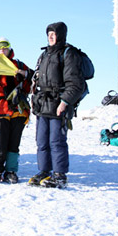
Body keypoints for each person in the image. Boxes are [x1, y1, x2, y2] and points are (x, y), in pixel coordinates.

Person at [29, 22, 85, 188]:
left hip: (58, 102)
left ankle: (59, 175)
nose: (51, 37)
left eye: (54, 34)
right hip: (43, 103)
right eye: (49, 34)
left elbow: (75, 83)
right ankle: (44, 172)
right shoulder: (44, 54)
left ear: (61, 35)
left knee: (56, 141)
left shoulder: (68, 54)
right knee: (41, 141)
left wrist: (65, 102)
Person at [0, 37, 33, 183]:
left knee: (14, 142)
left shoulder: (19, 65)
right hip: (0, 109)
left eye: (5, 47)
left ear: (9, 49)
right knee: (0, 141)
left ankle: (11, 170)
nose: (2, 51)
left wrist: (24, 75)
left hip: (18, 108)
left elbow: (31, 82)